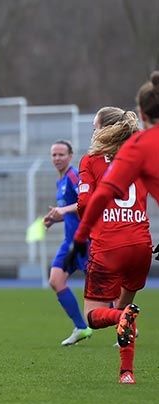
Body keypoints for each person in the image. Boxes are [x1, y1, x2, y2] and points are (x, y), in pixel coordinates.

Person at [68, 71, 159, 384]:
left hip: (108, 246)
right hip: (141, 245)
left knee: (95, 315)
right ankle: (127, 373)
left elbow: (84, 204)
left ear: (104, 131)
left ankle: (123, 320)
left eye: (95, 126)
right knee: (126, 308)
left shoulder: (90, 161)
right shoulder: (141, 155)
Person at [42, 140, 92, 346]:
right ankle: (81, 327)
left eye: (61, 154)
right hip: (69, 241)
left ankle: (127, 325)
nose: (57, 158)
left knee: (104, 288)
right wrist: (55, 217)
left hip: (86, 240)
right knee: (55, 280)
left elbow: (85, 202)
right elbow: (73, 212)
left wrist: (62, 210)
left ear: (70, 156)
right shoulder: (60, 181)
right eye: (54, 155)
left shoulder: (73, 176)